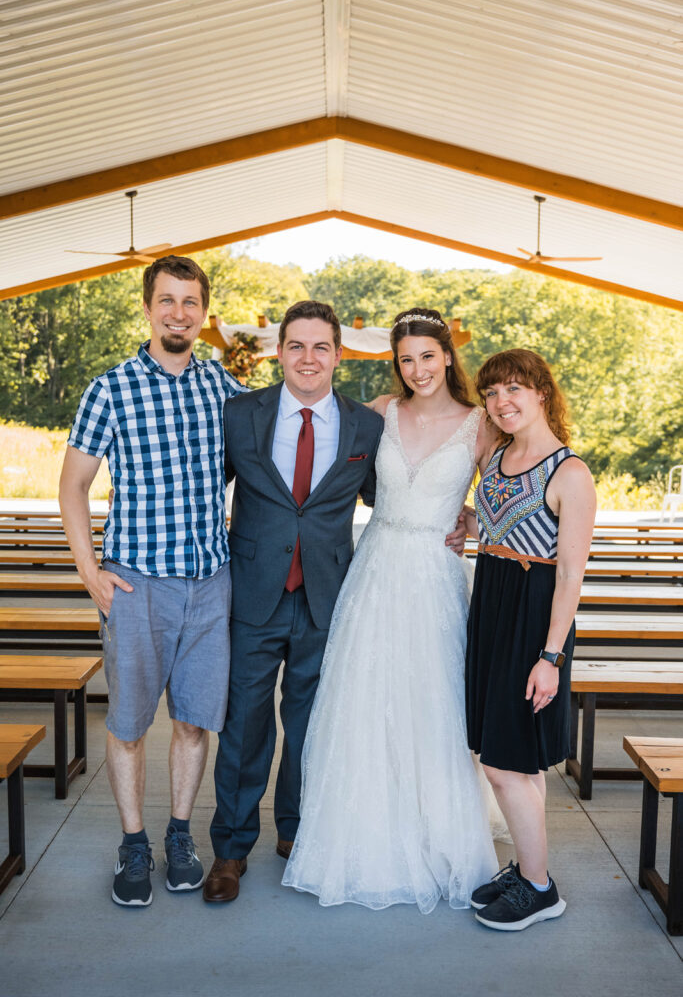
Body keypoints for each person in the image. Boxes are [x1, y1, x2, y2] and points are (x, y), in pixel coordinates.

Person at [281, 308, 499, 913]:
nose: (417, 368)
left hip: (434, 576)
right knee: (364, 700)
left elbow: (509, 488)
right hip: (374, 571)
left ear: (449, 357)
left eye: (428, 355)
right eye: (406, 358)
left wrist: (475, 516)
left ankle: (437, 835)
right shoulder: (381, 412)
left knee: (432, 702)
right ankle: (364, 836)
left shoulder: (479, 424)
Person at [59, 255, 244, 907]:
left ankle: (177, 834)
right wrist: (89, 569)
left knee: (194, 723)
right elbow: (73, 485)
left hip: (209, 581)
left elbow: (283, 432)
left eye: (190, 302)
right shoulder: (110, 388)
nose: (178, 313)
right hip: (137, 585)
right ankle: (133, 841)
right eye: (167, 300)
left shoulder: (220, 385)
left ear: (203, 312)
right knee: (132, 724)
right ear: (147, 307)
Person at [203, 300, 385, 903]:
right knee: (244, 726)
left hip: (328, 599)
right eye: (297, 346)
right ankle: (230, 849)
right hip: (253, 596)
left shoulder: (366, 426)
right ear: (279, 352)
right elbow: (203, 491)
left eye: (321, 347)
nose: (309, 359)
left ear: (339, 354)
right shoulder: (240, 414)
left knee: (311, 726)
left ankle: (297, 834)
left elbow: (390, 500)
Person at [465, 348, 595, 931]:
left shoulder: (570, 472)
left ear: (541, 391)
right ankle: (527, 866)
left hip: (534, 615)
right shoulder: (495, 455)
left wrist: (550, 657)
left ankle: (540, 889)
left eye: (514, 389)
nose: (502, 402)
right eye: (492, 393)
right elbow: (498, 522)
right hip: (490, 600)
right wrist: (472, 527)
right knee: (518, 762)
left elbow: (569, 573)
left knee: (505, 764)